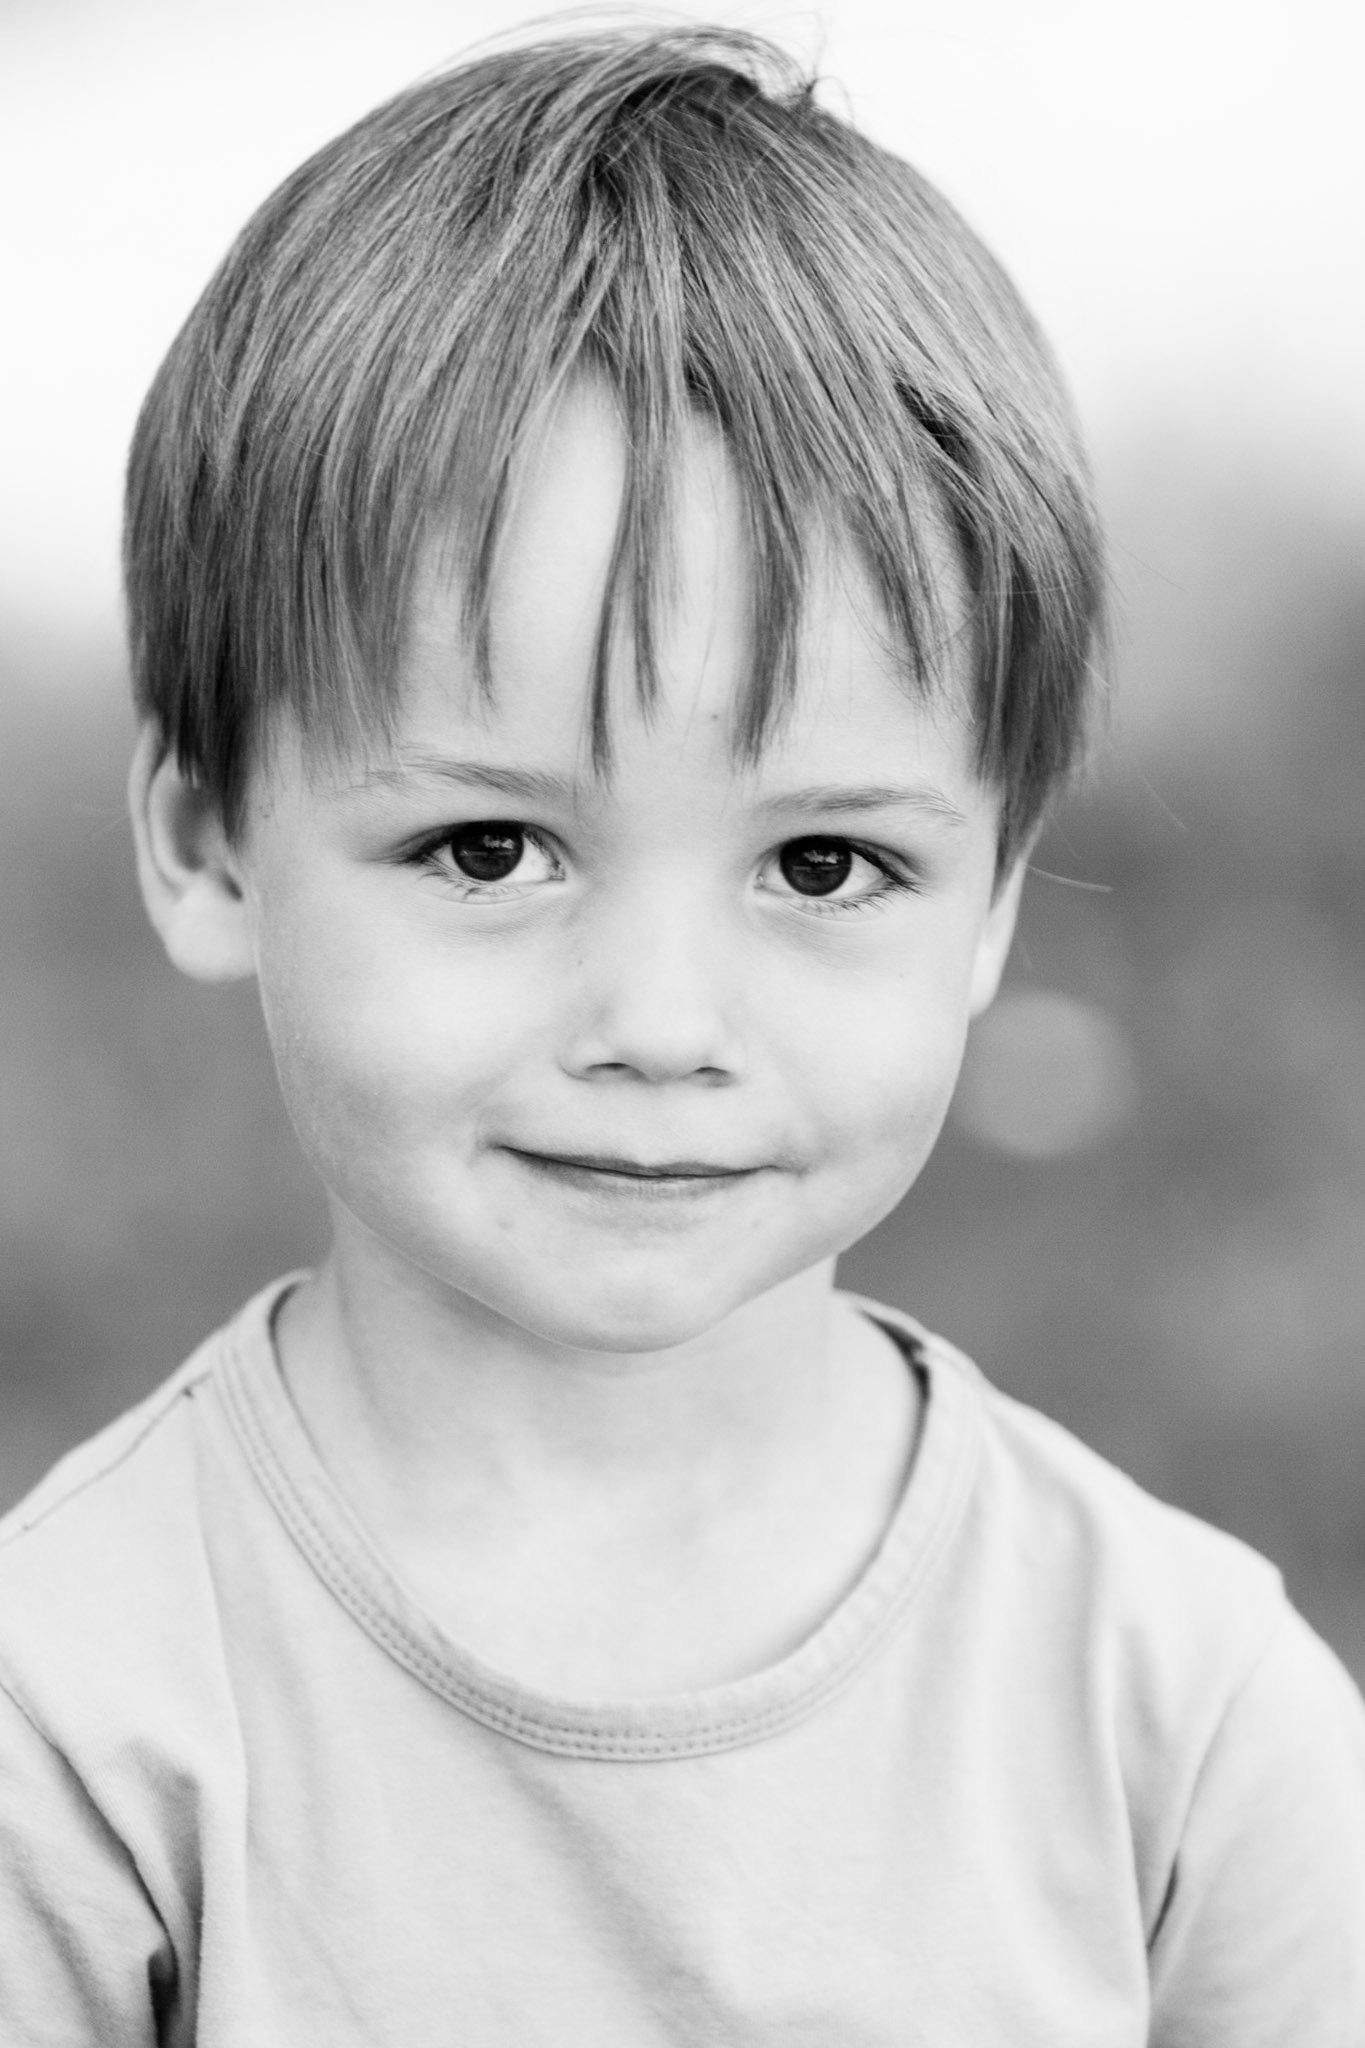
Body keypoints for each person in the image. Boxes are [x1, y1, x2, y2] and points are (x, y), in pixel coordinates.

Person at [1, 23, 1361, 2043]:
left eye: (819, 868)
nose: (657, 1023)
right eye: (486, 845)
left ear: (989, 903)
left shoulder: (1180, 1711)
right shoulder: (78, 1713)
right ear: (205, 839)